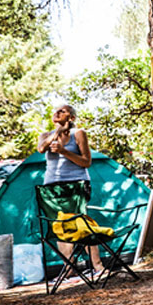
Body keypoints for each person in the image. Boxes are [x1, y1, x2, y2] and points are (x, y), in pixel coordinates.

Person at [37, 104, 102, 273]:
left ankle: (97, 266)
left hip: (77, 184)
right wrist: (57, 133)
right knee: (60, 225)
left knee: (81, 222)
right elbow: (41, 149)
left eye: (62, 111)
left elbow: (86, 162)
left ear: (71, 118)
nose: (57, 112)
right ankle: (69, 267)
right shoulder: (45, 135)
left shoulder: (78, 134)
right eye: (56, 110)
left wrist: (64, 151)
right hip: (52, 185)